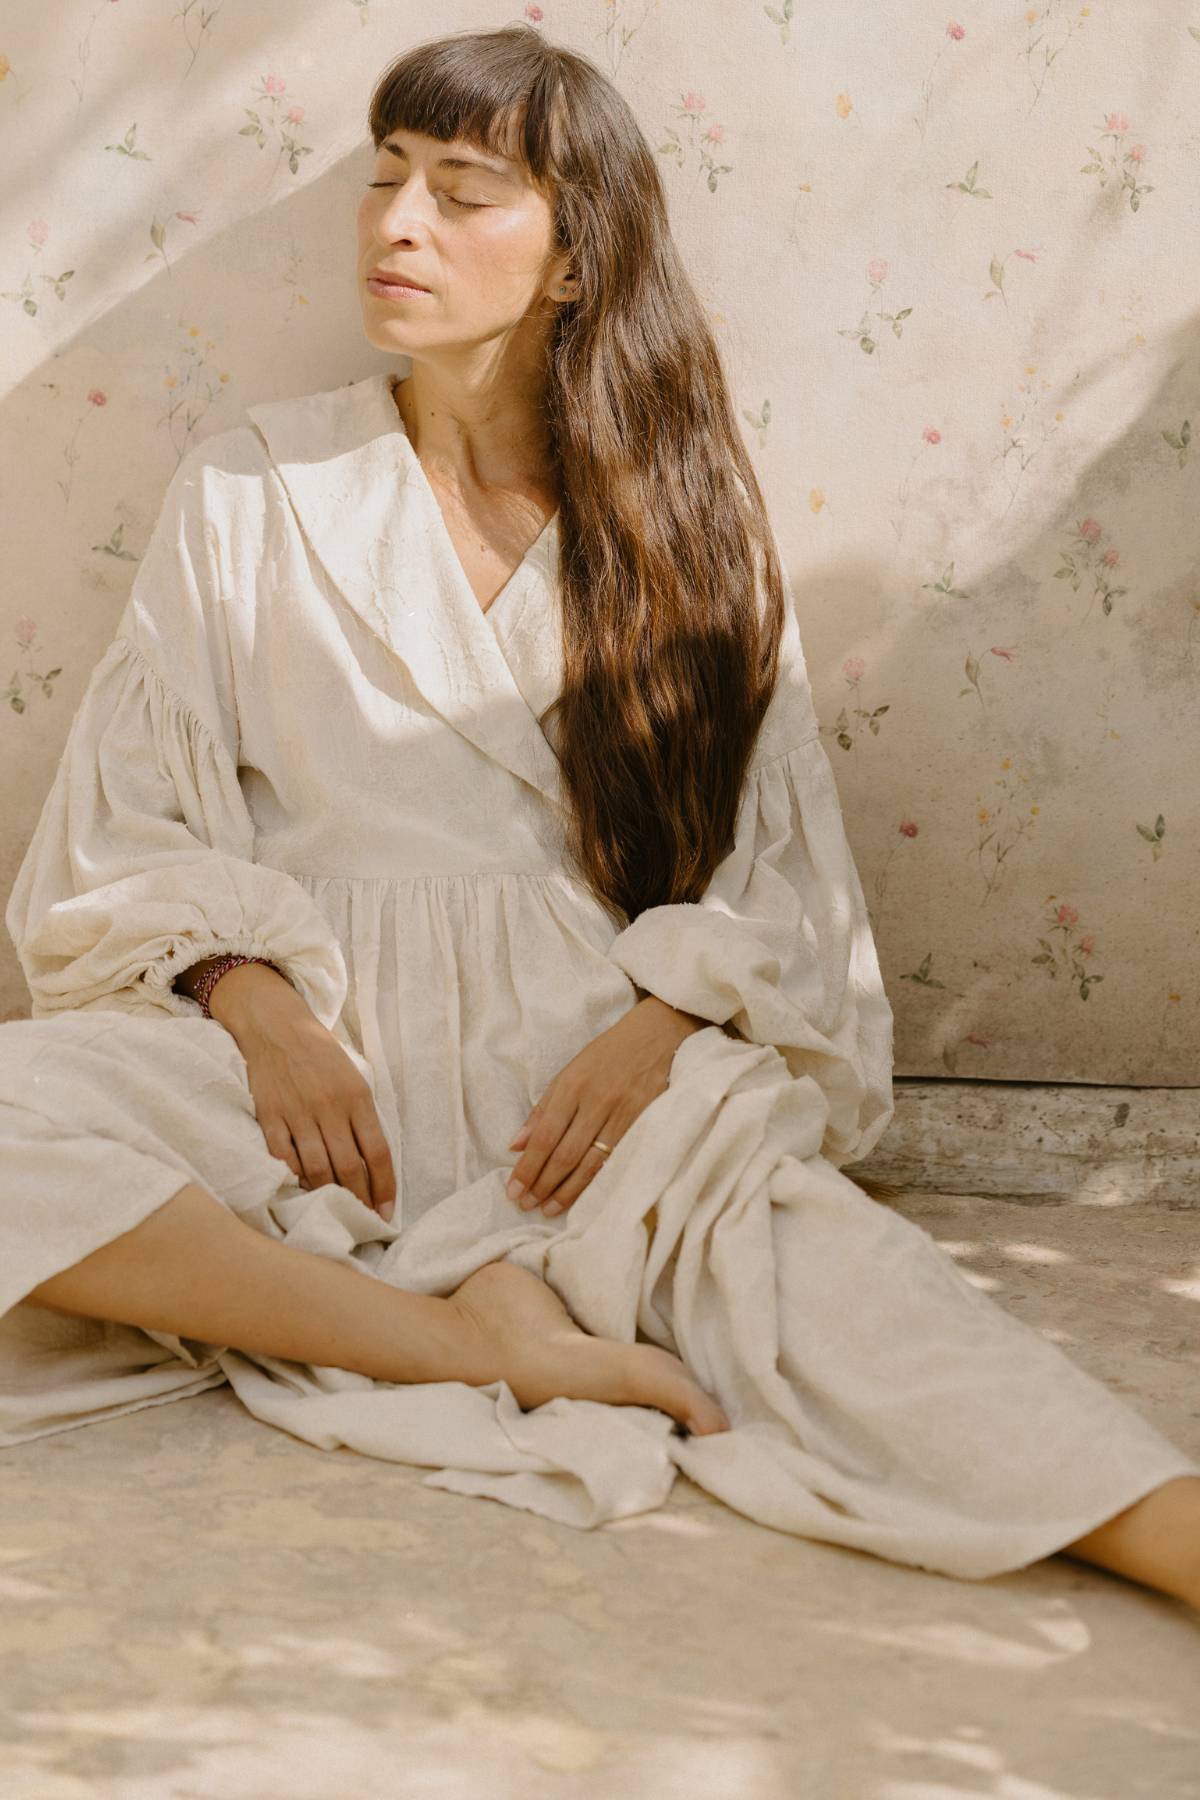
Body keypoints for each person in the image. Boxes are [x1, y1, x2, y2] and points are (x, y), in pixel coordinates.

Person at [2, 24, 1198, 1607]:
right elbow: (128, 822)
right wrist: (255, 1002)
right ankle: (459, 1337)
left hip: (582, 1075)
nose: (394, 224)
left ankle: (1170, 1537)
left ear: (575, 261)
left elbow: (779, 873)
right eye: (383, 180)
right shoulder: (253, 488)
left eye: (462, 191)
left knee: (855, 1301)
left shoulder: (687, 527)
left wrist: (662, 1021)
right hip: (308, 1074)